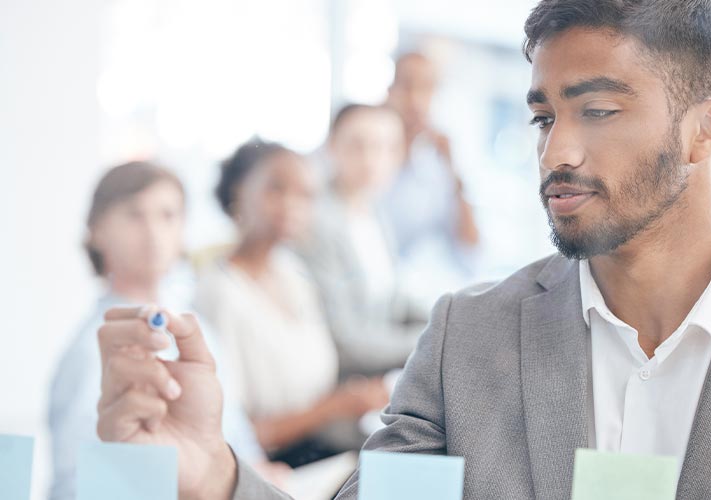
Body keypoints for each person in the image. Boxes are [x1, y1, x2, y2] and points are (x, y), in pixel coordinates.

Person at [92, 1, 711, 499]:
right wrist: (215, 475)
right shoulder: (470, 335)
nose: (557, 151)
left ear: (707, 130)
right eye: (544, 116)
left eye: (598, 111)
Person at [47, 161, 275, 500]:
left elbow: (236, 434)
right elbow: (74, 487)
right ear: (96, 230)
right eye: (134, 215)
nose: (153, 232)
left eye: (168, 215)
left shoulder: (196, 330)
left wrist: (262, 478)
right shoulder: (92, 352)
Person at [194, 138, 388, 468]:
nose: (292, 205)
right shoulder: (221, 293)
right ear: (240, 192)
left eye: (306, 195)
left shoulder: (293, 273)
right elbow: (234, 434)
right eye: (277, 189)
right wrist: (335, 406)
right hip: (271, 468)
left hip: (322, 452)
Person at [294, 104, 428, 377]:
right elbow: (345, 343)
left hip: (381, 366)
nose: (371, 160)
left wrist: (447, 318)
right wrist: (430, 339)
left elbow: (392, 298)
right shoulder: (317, 222)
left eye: (385, 148)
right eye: (358, 146)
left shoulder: (374, 209)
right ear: (332, 146)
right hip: (345, 381)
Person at [381, 52, 481, 277]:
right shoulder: (366, 152)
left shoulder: (436, 165)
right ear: (389, 91)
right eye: (406, 86)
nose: (415, 100)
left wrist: (451, 166)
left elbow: (471, 248)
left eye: (426, 88)